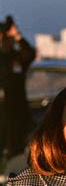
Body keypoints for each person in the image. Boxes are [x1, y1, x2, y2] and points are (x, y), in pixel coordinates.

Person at [0, 16, 36, 160]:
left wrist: (17, 35)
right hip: (2, 111)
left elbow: (30, 54)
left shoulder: (16, 57)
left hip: (16, 111)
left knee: (17, 150)